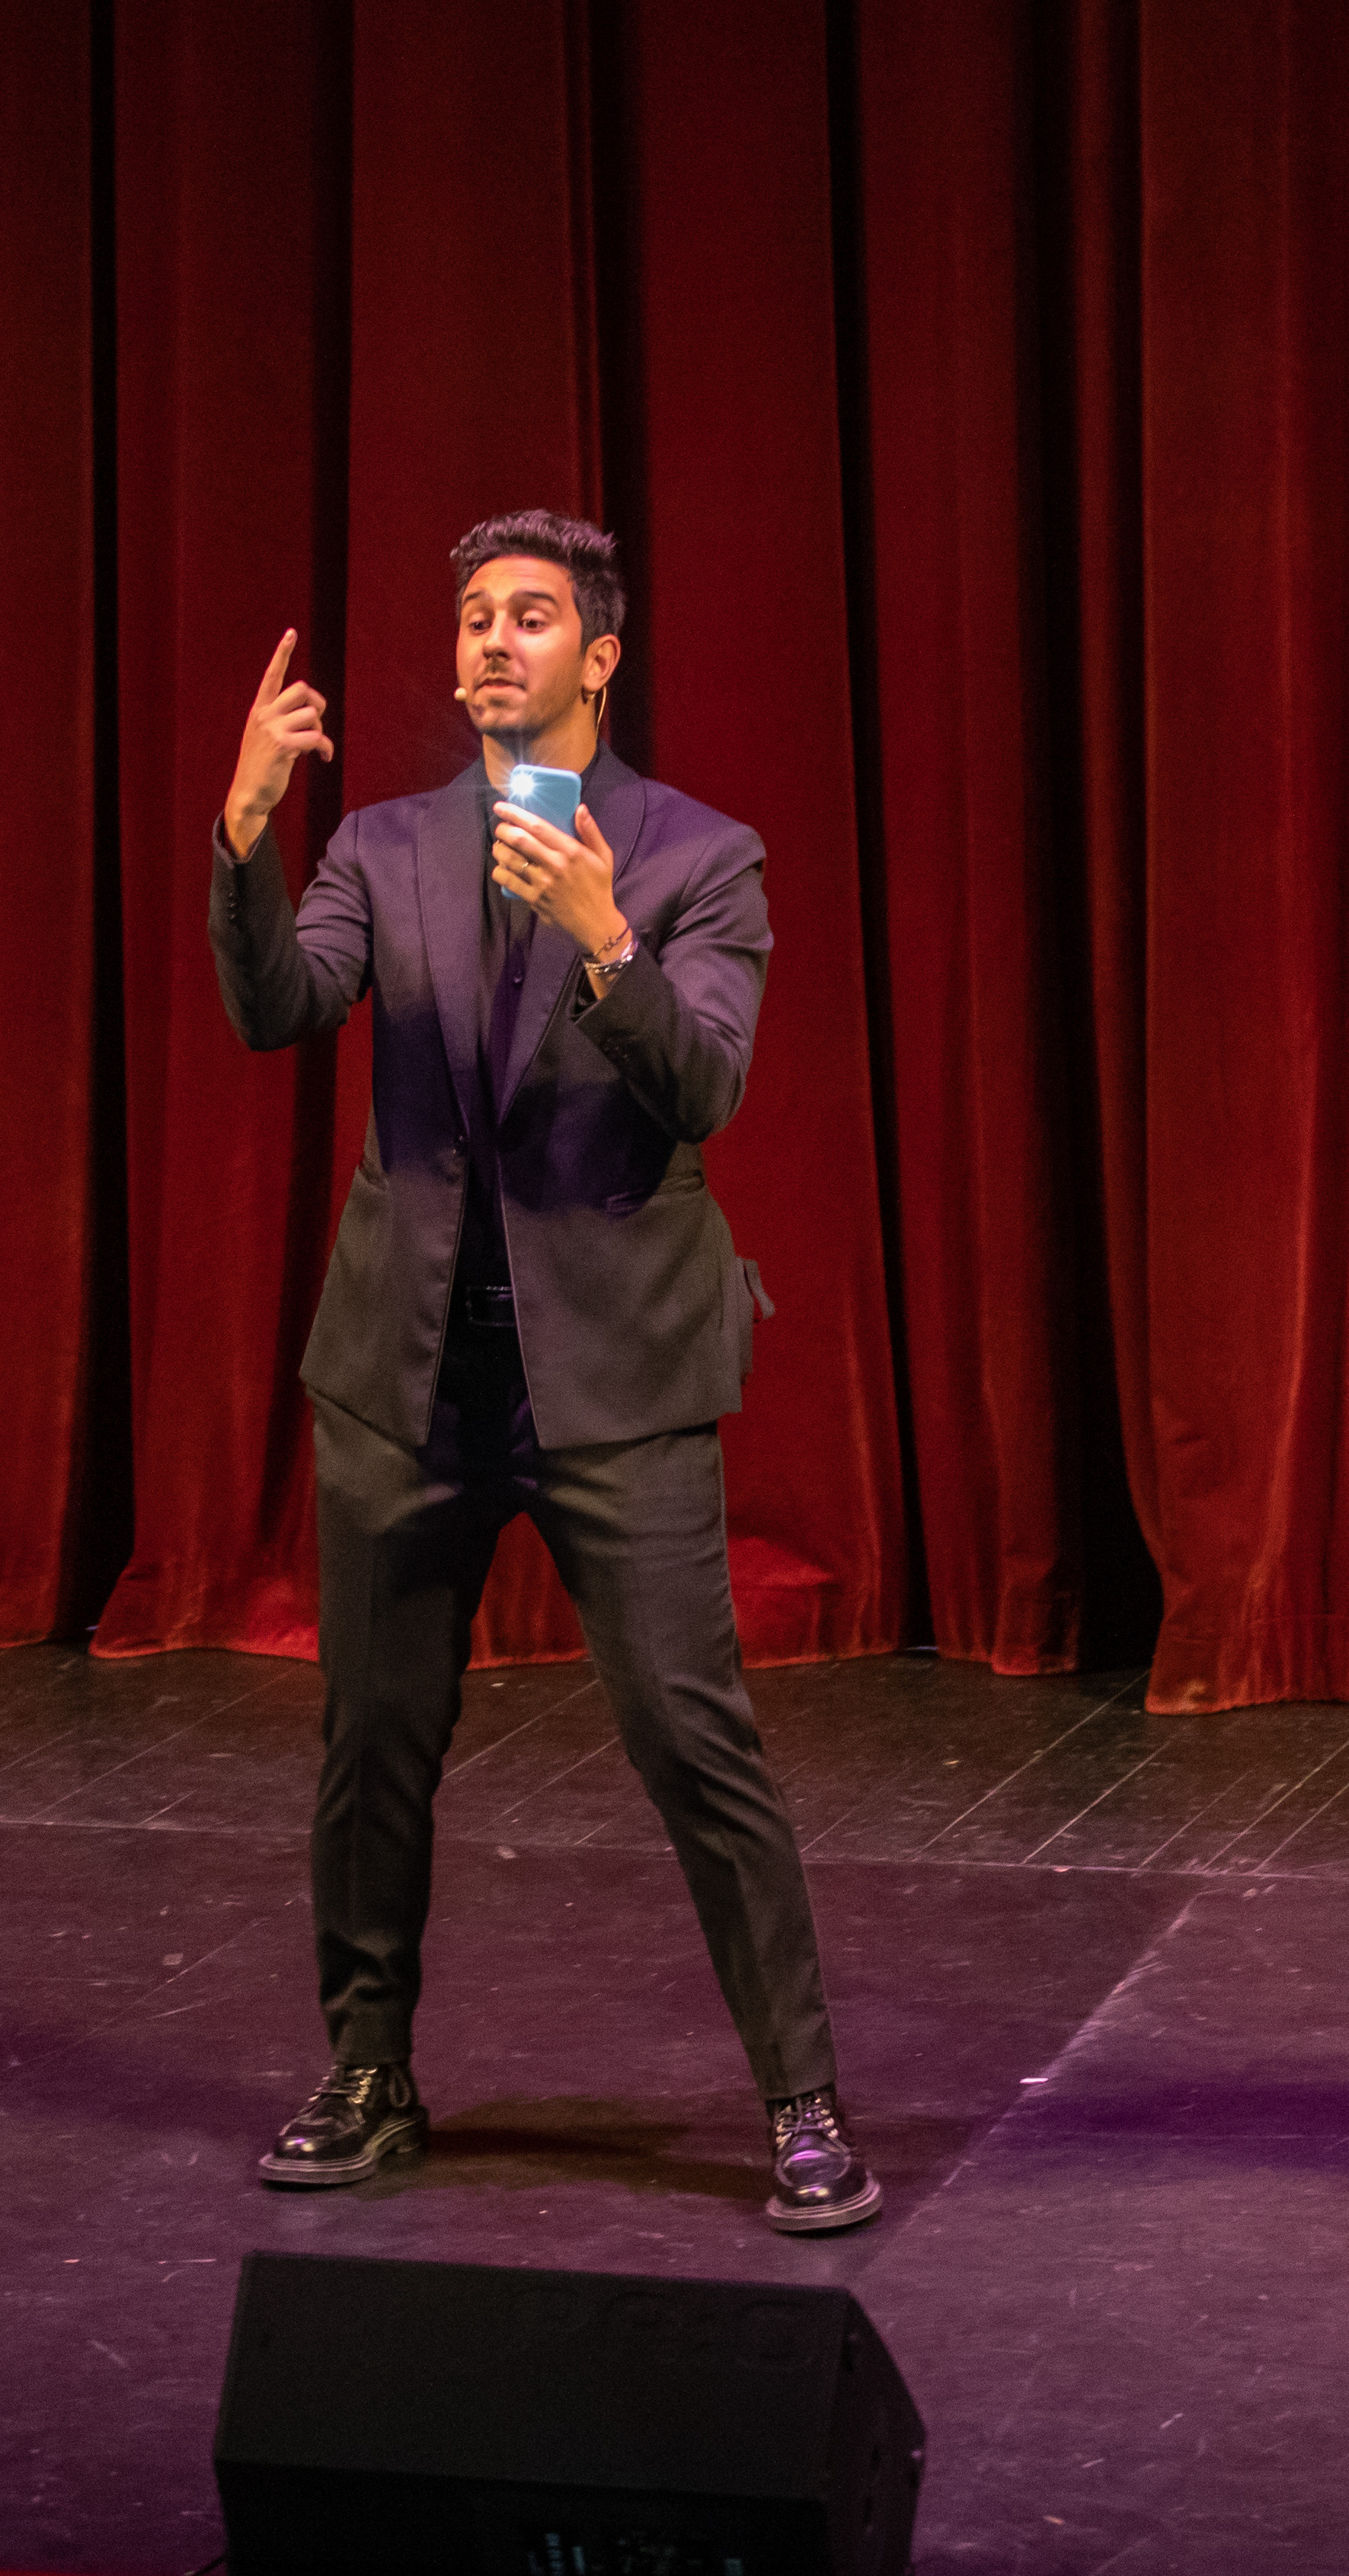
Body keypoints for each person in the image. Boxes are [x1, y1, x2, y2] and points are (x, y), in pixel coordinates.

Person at [204, 507, 875, 2233]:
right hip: (407, 1367)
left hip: (613, 1377)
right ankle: (369, 2068)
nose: (494, 640)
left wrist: (606, 936)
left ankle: (801, 2098)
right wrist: (242, 845)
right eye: (476, 617)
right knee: (374, 1742)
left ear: (600, 654)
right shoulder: (383, 842)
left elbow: (705, 1088)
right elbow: (284, 1006)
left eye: (533, 615)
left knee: (690, 1739)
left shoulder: (696, 855)